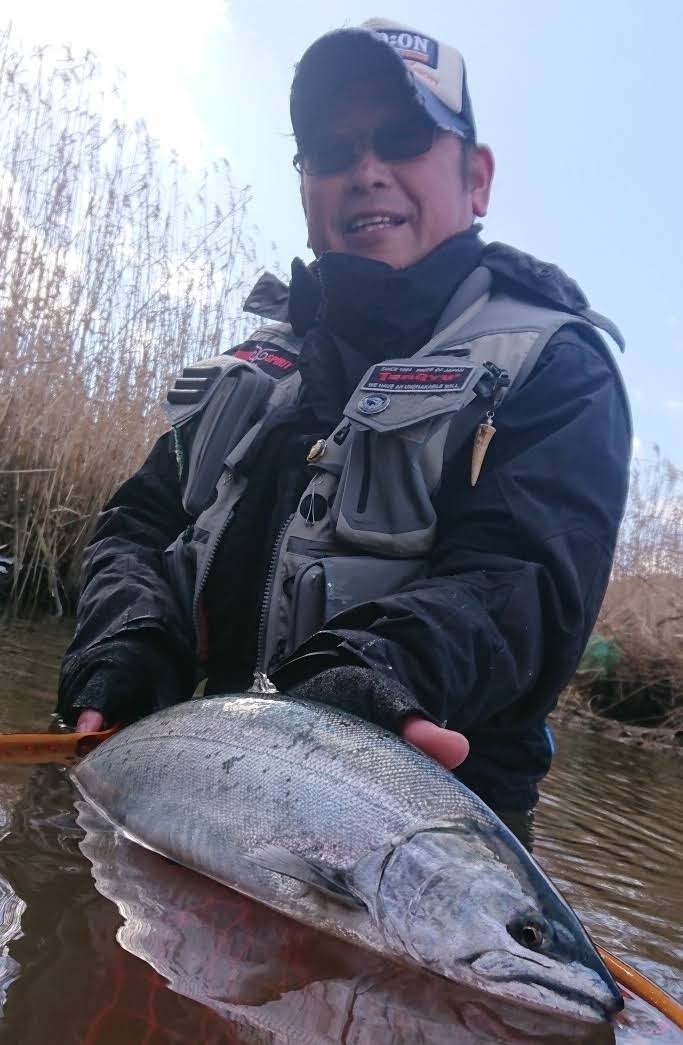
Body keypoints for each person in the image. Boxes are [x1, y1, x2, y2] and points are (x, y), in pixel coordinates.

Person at [58, 19, 631, 844]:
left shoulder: (554, 363)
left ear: (477, 177)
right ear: (304, 189)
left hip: (406, 839)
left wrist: (362, 680)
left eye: (402, 139)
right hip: (172, 790)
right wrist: (125, 641)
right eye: (331, 152)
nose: (366, 172)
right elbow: (137, 524)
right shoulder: (251, 367)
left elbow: (521, 583)